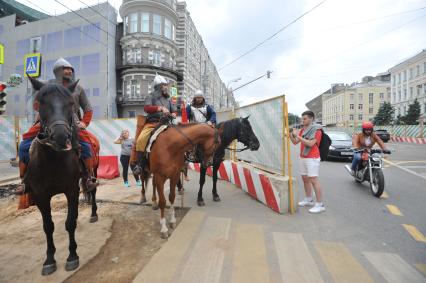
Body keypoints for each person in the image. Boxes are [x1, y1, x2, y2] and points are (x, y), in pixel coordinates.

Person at [17, 57, 97, 194]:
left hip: (72, 121)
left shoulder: (77, 89)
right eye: (65, 69)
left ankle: (88, 177)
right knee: (24, 146)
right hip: (48, 120)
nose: (69, 71)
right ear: (58, 71)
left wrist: (84, 122)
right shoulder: (46, 86)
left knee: (86, 145)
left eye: (71, 69)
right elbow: (36, 103)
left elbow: (88, 108)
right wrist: (45, 109)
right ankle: (24, 181)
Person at [289, 111, 325, 214]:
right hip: (303, 157)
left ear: (311, 119)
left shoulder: (317, 130)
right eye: (302, 118)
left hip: (312, 157)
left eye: (304, 118)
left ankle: (320, 204)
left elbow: (310, 143)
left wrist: (298, 136)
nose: (302, 120)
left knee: (313, 180)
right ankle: (309, 199)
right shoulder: (302, 130)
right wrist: (291, 135)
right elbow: (295, 142)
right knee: (305, 179)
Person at [136, 74, 176, 161]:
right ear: (159, 86)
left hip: (167, 124)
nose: (166, 87)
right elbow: (146, 108)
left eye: (166, 85)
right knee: (140, 140)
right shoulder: (151, 96)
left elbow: (173, 110)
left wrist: (173, 114)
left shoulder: (168, 100)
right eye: (164, 85)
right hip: (152, 124)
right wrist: (160, 108)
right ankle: (139, 164)